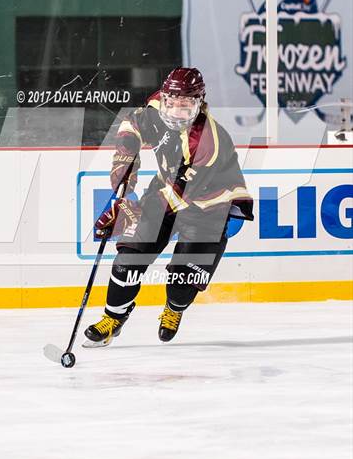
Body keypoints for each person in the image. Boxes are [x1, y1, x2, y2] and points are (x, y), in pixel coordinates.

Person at [84, 67, 253, 346]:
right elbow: (132, 124)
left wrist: (132, 212)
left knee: (183, 281)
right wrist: (125, 157)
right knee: (129, 259)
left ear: (199, 103)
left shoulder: (206, 140)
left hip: (209, 209)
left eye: (185, 105)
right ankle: (114, 318)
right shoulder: (156, 105)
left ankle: (174, 308)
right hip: (165, 189)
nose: (175, 111)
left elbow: (181, 194)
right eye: (171, 103)